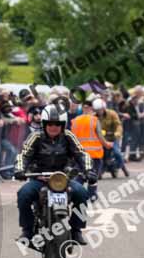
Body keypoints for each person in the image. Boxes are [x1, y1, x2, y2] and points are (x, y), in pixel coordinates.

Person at [14, 105, 95, 246]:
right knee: (23, 194)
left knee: (82, 193)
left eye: (58, 124)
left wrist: (89, 170)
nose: (54, 127)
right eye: (50, 123)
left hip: (62, 180)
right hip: (40, 179)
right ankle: (27, 230)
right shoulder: (35, 137)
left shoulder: (69, 136)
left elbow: (82, 153)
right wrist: (19, 170)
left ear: (63, 125)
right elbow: (24, 155)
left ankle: (76, 230)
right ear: (44, 124)